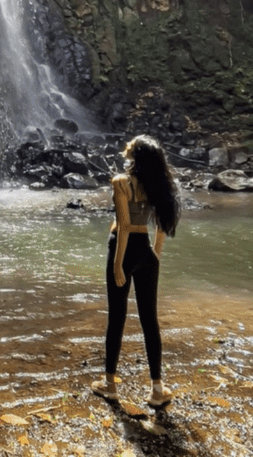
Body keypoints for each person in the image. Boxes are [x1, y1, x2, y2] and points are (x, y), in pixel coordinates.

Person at [91, 134, 181, 408]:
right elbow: (161, 226)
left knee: (116, 318)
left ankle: (109, 386)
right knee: (149, 322)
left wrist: (119, 264)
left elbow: (125, 226)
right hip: (147, 253)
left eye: (131, 145)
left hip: (124, 249)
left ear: (135, 154)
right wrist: (156, 255)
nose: (126, 146)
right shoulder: (158, 185)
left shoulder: (122, 183)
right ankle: (157, 389)